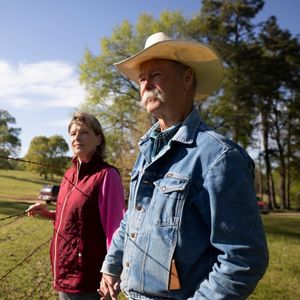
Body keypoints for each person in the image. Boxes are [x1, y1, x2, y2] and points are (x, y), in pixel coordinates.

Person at [98, 32, 269, 300]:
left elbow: (243, 258)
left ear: (187, 78)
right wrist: (111, 266)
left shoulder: (219, 156)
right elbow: (133, 218)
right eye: (142, 79)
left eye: (155, 75)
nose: (145, 85)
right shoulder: (146, 151)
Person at [27, 112, 125, 300]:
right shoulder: (68, 176)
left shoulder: (106, 175)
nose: (76, 138)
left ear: (98, 139)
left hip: (88, 278)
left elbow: (116, 229)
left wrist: (113, 271)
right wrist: (49, 214)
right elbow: (77, 217)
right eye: (72, 133)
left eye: (84, 133)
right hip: (63, 270)